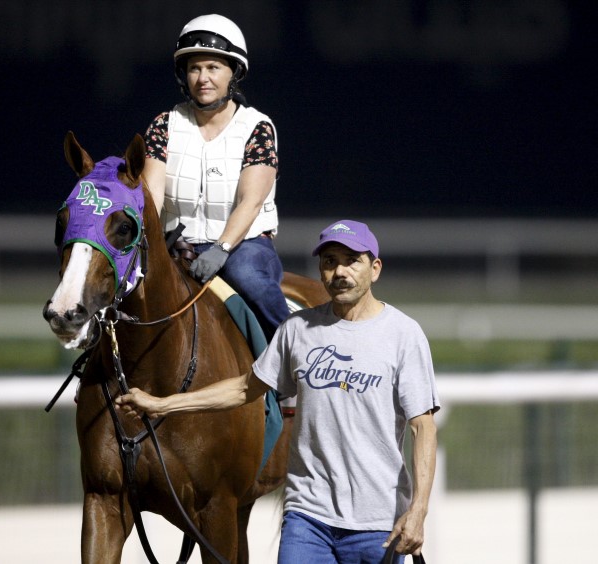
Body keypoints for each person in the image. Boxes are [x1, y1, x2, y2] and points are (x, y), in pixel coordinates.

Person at [116, 220, 440, 563]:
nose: (340, 271)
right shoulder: (297, 329)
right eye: (330, 261)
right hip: (308, 519)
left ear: (375, 269)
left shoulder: (404, 335)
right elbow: (244, 389)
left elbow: (423, 428)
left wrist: (418, 511)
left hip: (378, 523)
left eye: (351, 260)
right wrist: (162, 404)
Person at [142, 13, 289, 341]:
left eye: (213, 68)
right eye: (194, 68)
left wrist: (221, 249)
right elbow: (150, 197)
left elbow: (251, 202)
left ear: (233, 73)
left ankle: (296, 357)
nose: (202, 78)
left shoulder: (257, 128)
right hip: (174, 246)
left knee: (249, 278)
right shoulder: (163, 125)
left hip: (242, 246)